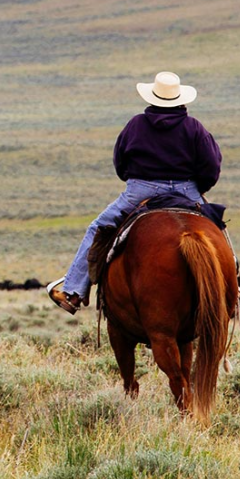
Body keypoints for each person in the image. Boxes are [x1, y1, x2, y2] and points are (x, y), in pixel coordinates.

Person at [48, 71, 222, 315]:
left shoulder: (135, 125)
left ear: (152, 97)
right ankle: (231, 290)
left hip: (141, 190)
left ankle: (73, 291)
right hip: (186, 190)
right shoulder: (195, 128)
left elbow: (120, 162)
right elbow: (211, 166)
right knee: (218, 230)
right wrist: (197, 188)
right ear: (181, 99)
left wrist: (138, 182)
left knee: (98, 227)